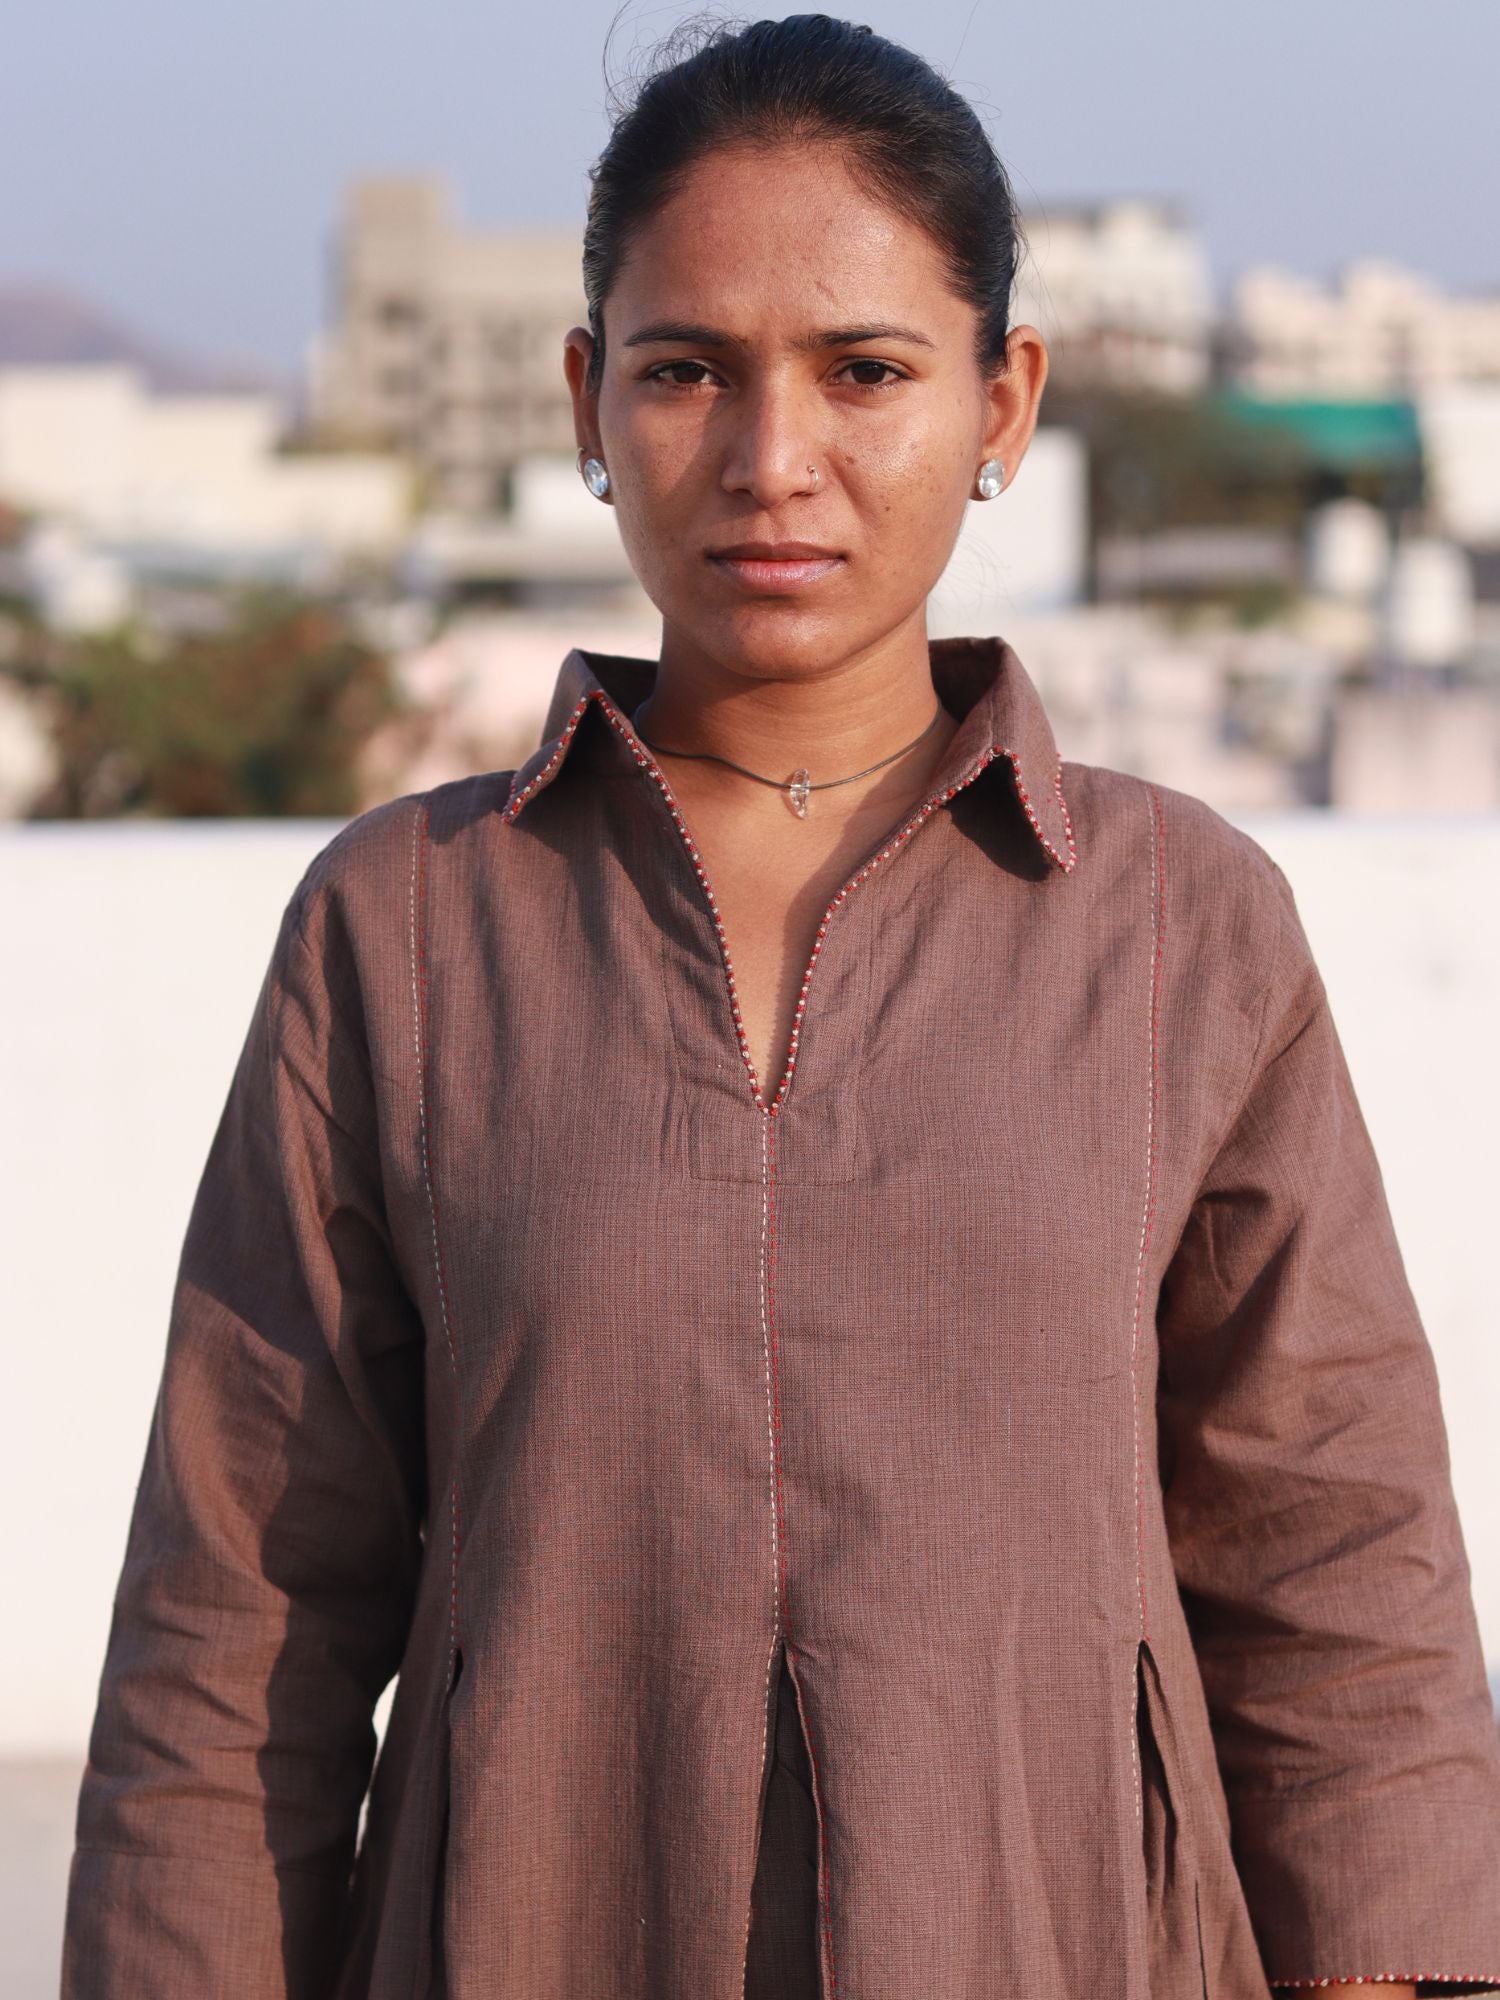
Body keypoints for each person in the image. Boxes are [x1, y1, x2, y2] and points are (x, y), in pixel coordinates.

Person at [61, 15, 1500, 2000]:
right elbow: (240, 1622)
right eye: (684, 371)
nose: (771, 460)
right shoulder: (404, 933)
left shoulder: (1182, 929)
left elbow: (1333, 1552)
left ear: (1005, 402)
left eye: (867, 371)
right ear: (586, 396)